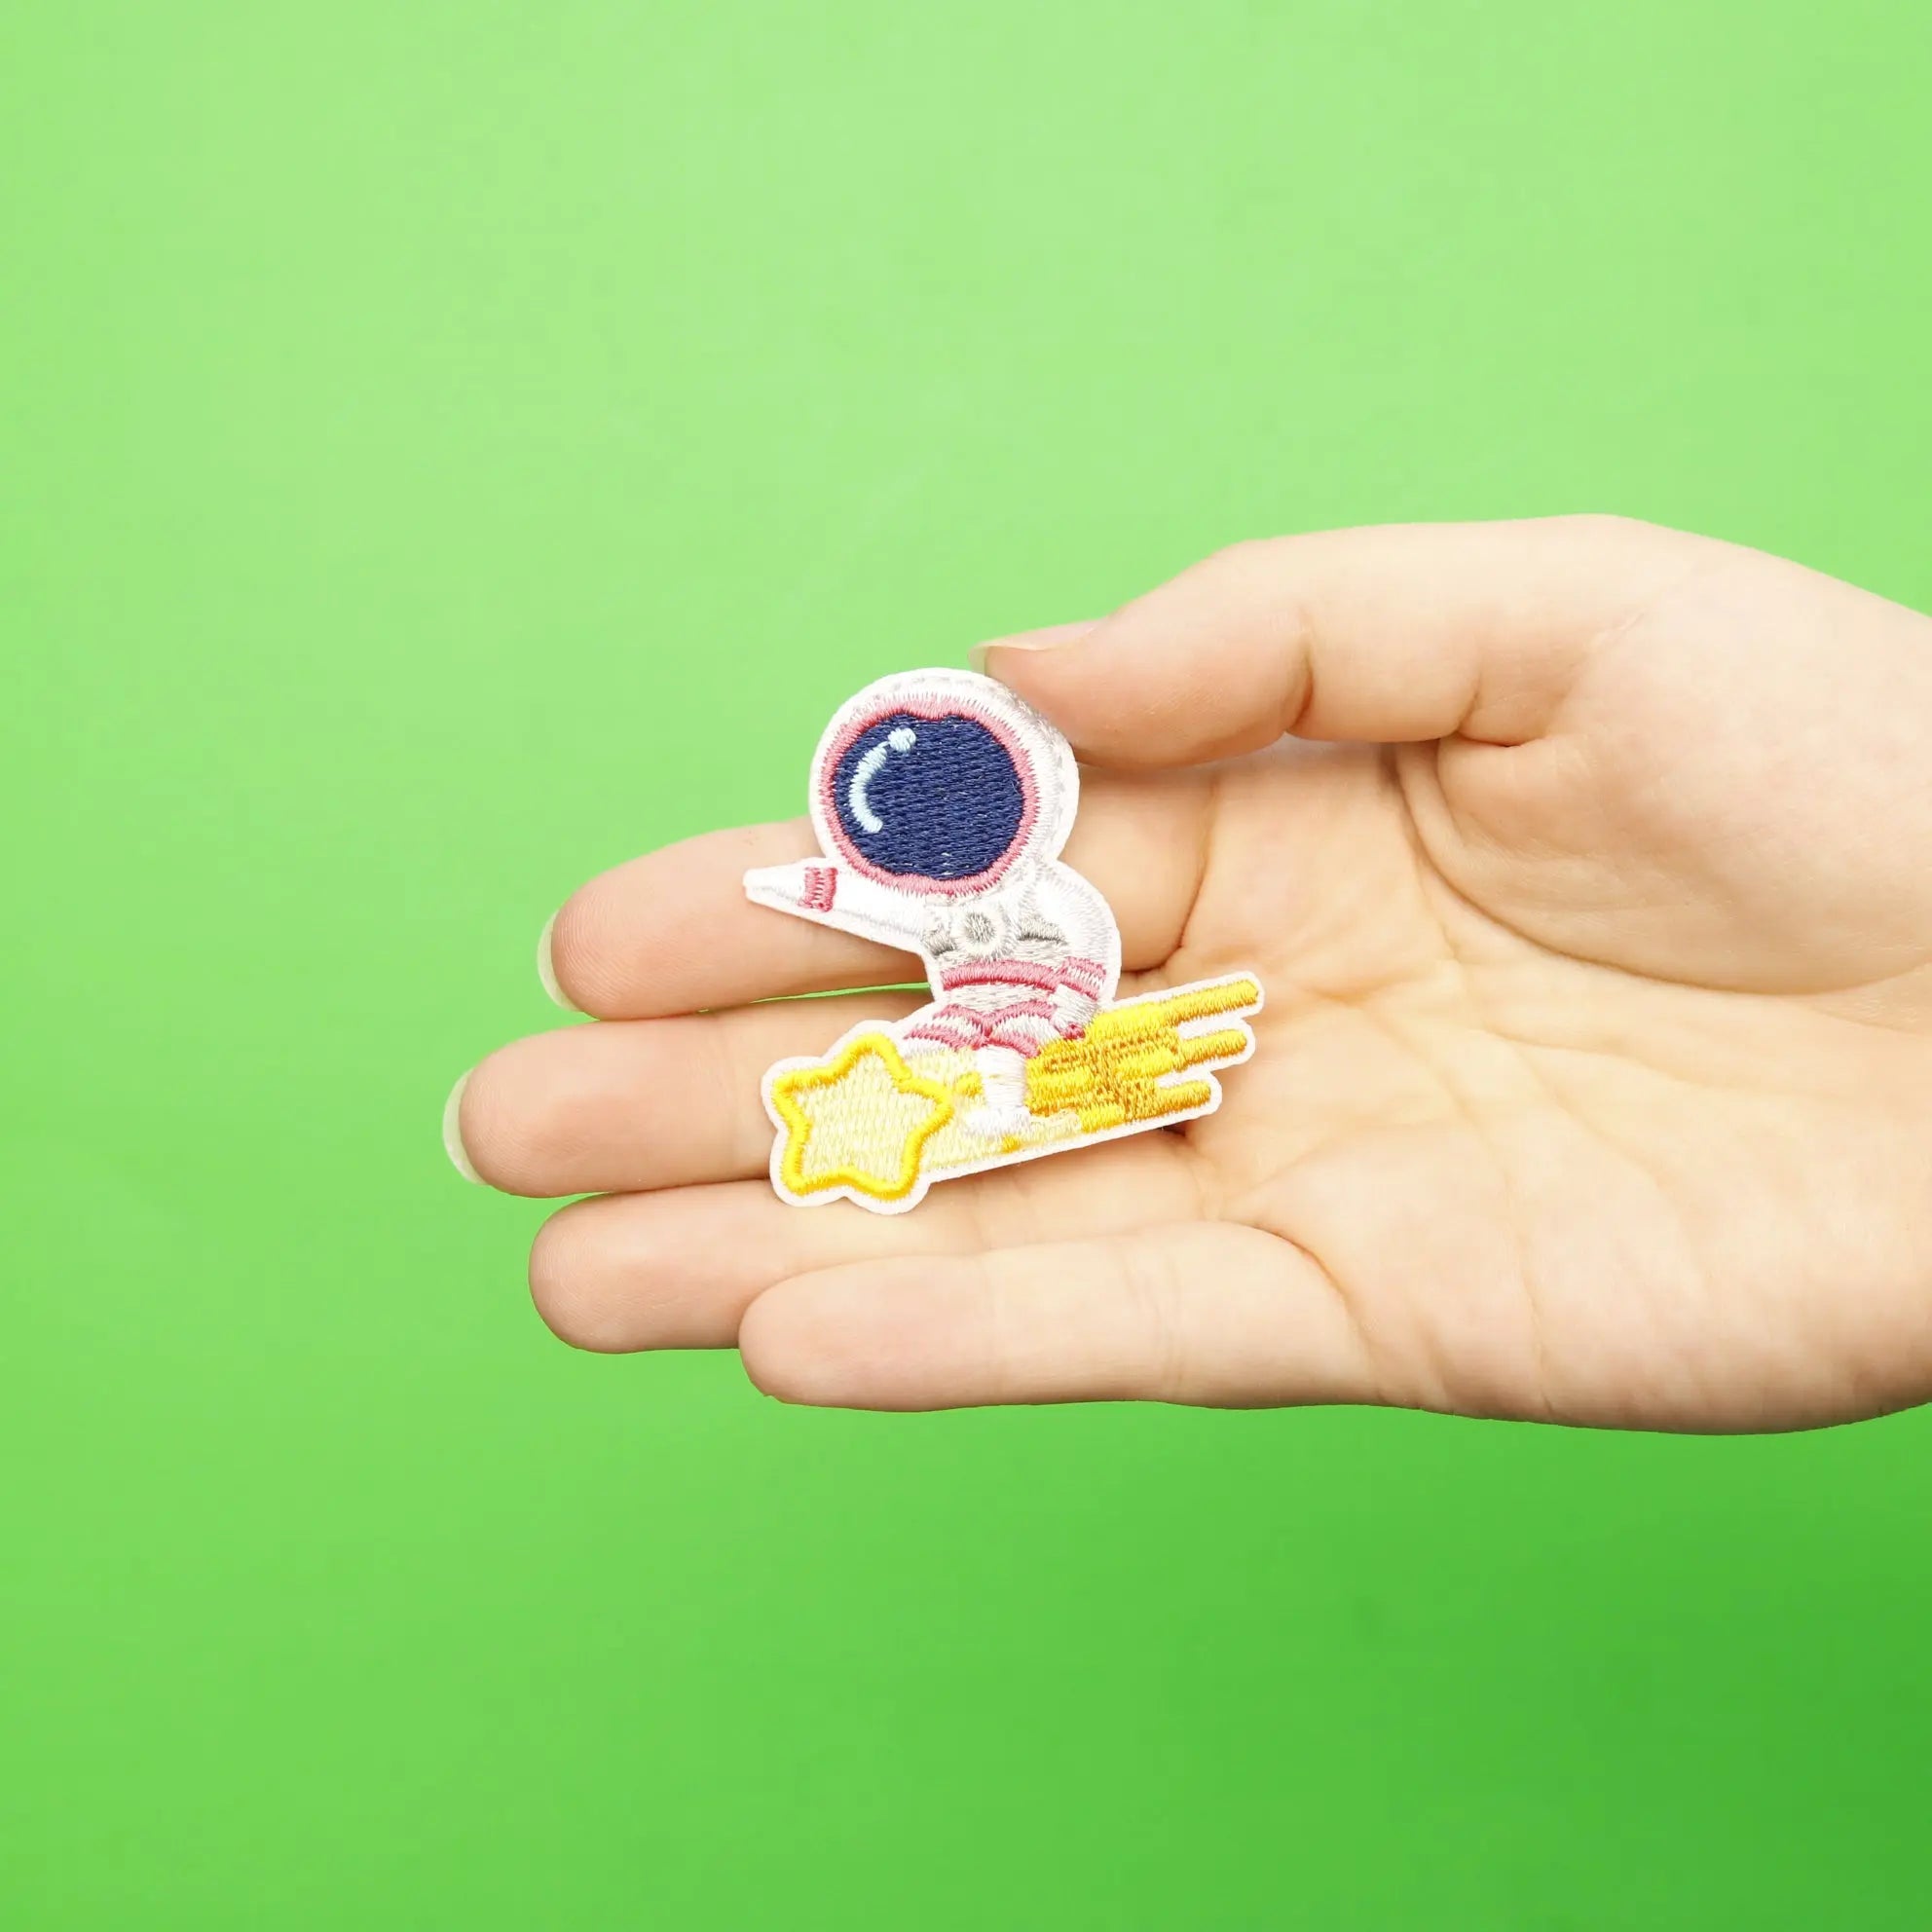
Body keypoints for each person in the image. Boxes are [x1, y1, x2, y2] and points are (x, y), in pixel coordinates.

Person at [443, 516, 1932, 1430]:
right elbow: (882, 905)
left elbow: (917, 915)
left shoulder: (1037, 911)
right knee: (919, 1087)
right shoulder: (955, 893)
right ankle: (950, 1089)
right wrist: (831, 894)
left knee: (949, 1075)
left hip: (1026, 1024)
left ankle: (957, 1089)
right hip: (995, 1031)